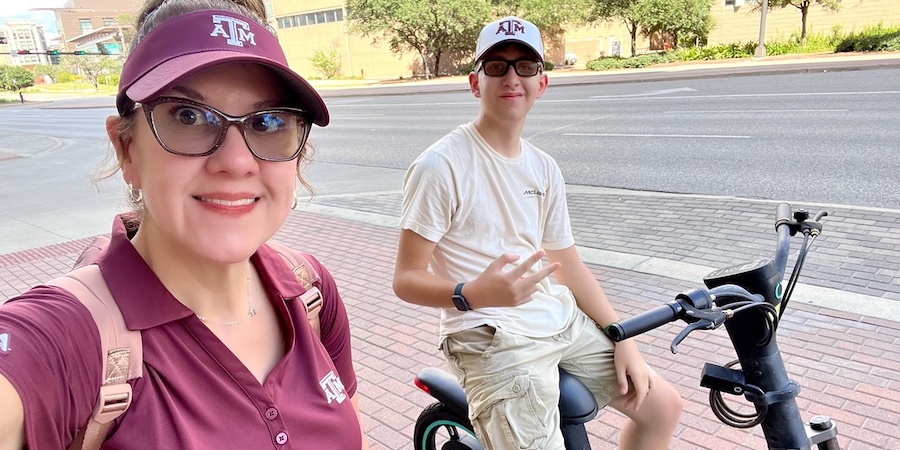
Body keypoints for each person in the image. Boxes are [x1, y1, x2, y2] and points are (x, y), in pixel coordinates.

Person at [0, 0, 369, 448]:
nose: (236, 162)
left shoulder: (309, 290)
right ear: (127, 150)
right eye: (188, 116)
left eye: (269, 121)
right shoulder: (68, 340)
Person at [393, 16, 683, 450]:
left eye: (525, 66)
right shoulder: (441, 166)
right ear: (476, 83)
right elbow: (406, 279)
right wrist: (473, 293)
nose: (512, 77)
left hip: (559, 319)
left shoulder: (544, 167)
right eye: (497, 66)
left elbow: (567, 263)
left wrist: (622, 337)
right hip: (490, 336)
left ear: (541, 83)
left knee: (662, 407)